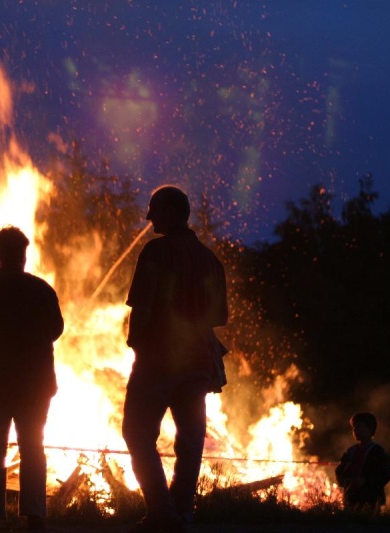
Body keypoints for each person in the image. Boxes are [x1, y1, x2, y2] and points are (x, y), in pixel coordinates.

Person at [122, 185, 229, 533]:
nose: (149, 217)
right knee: (190, 439)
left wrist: (138, 346)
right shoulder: (209, 259)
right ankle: (182, 511)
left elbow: (143, 307)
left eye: (154, 209)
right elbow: (219, 317)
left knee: (137, 433)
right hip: (198, 362)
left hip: (159, 358)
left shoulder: (156, 252)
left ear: (170, 212)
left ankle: (161, 511)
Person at [0, 226, 64, 532]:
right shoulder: (41, 290)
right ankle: (34, 514)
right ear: (22, 254)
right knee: (33, 446)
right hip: (33, 383)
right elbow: (56, 329)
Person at [335, 411, 390, 510]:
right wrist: (345, 481)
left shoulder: (377, 451)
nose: (355, 430)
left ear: (370, 429)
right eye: (353, 428)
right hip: (352, 497)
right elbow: (340, 470)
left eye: (359, 427)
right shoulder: (350, 451)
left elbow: (384, 473)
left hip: (371, 498)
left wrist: (366, 481)